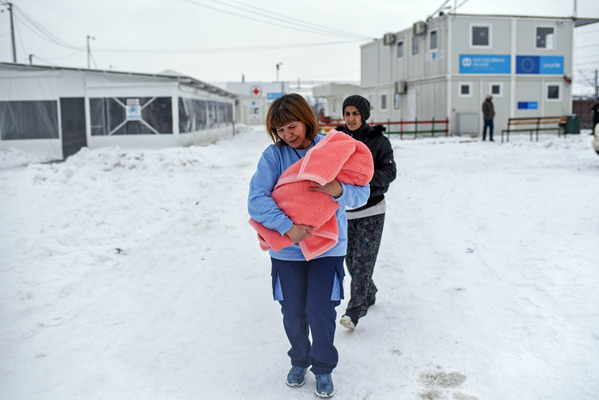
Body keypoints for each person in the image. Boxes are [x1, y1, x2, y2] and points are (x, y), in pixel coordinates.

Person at [248, 93, 370, 398]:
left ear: (307, 120)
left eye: (292, 127)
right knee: (292, 311)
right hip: (287, 248)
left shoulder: (331, 147)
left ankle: (324, 368)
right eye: (280, 130)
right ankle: (299, 361)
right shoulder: (273, 156)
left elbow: (362, 192)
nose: (287, 136)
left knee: (321, 310)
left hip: (328, 246)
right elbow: (256, 200)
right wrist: (289, 227)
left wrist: (338, 189)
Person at [335, 95, 397, 330]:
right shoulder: (337, 140)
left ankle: (355, 309)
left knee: (363, 261)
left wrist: (363, 181)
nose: (351, 118)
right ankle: (368, 291)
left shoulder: (379, 141)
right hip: (345, 210)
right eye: (347, 113)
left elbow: (389, 172)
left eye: (355, 114)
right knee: (350, 260)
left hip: (372, 209)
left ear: (364, 115)